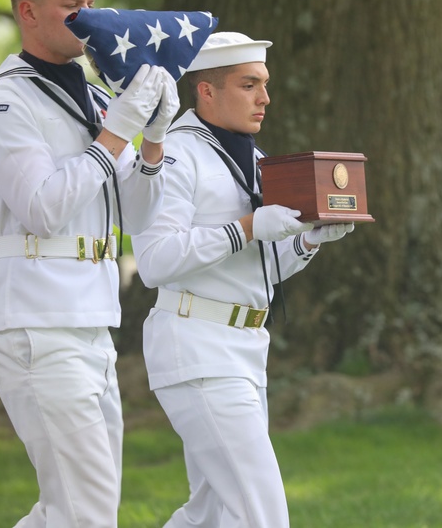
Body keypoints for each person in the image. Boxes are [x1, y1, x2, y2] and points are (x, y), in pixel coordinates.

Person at [0, 0, 179, 527]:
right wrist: (115, 136)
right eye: (71, 6)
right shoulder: (4, 102)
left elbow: (135, 216)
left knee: (83, 507)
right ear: (28, 11)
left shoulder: (99, 98)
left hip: (89, 314)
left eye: (90, 5)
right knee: (83, 511)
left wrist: (153, 142)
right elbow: (42, 209)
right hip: (36, 312)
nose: (87, 18)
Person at [133, 32, 355, 527]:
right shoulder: (174, 153)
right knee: (262, 514)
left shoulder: (252, 156)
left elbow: (262, 266)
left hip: (246, 345)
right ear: (206, 91)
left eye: (265, 84)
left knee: (211, 513)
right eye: (249, 84)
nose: (265, 98)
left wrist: (309, 241)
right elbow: (154, 261)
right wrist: (247, 228)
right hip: (197, 346)